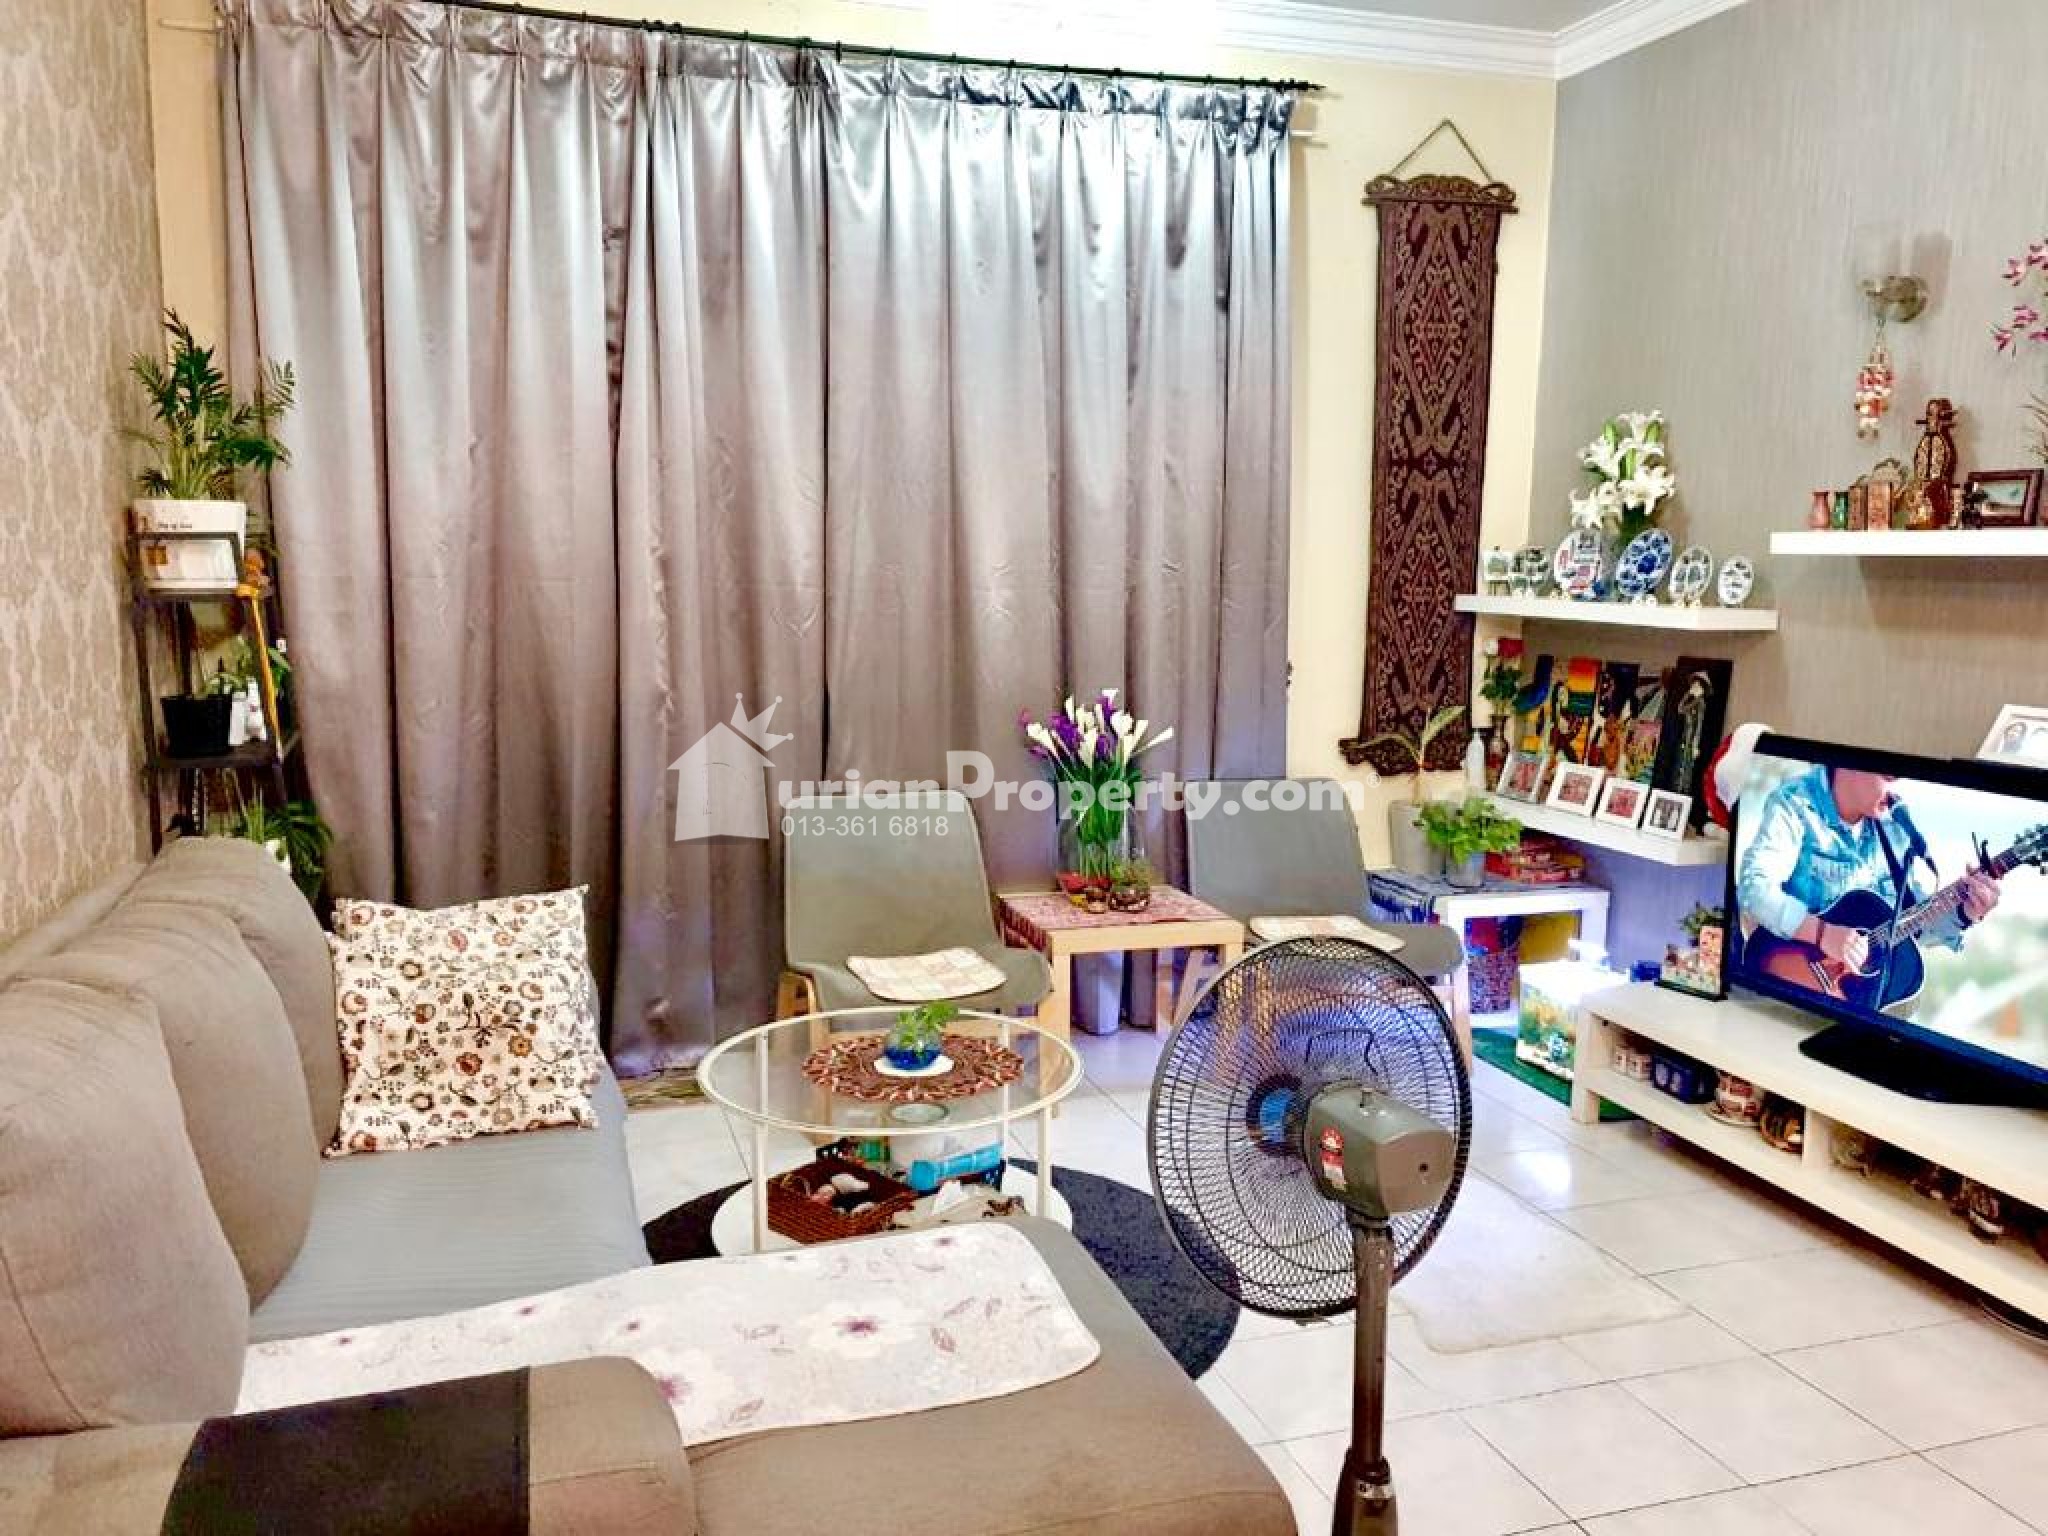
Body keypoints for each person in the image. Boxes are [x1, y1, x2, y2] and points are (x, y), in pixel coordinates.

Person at [1738, 766, 1999, 978]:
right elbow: (1754, 889)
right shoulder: (1795, 803)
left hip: (1857, 997)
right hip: (1786, 978)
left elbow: (1911, 927)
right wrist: (1823, 934)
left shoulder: (1894, 828)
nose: (1895, 792)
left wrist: (1964, 912)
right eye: (1889, 777)